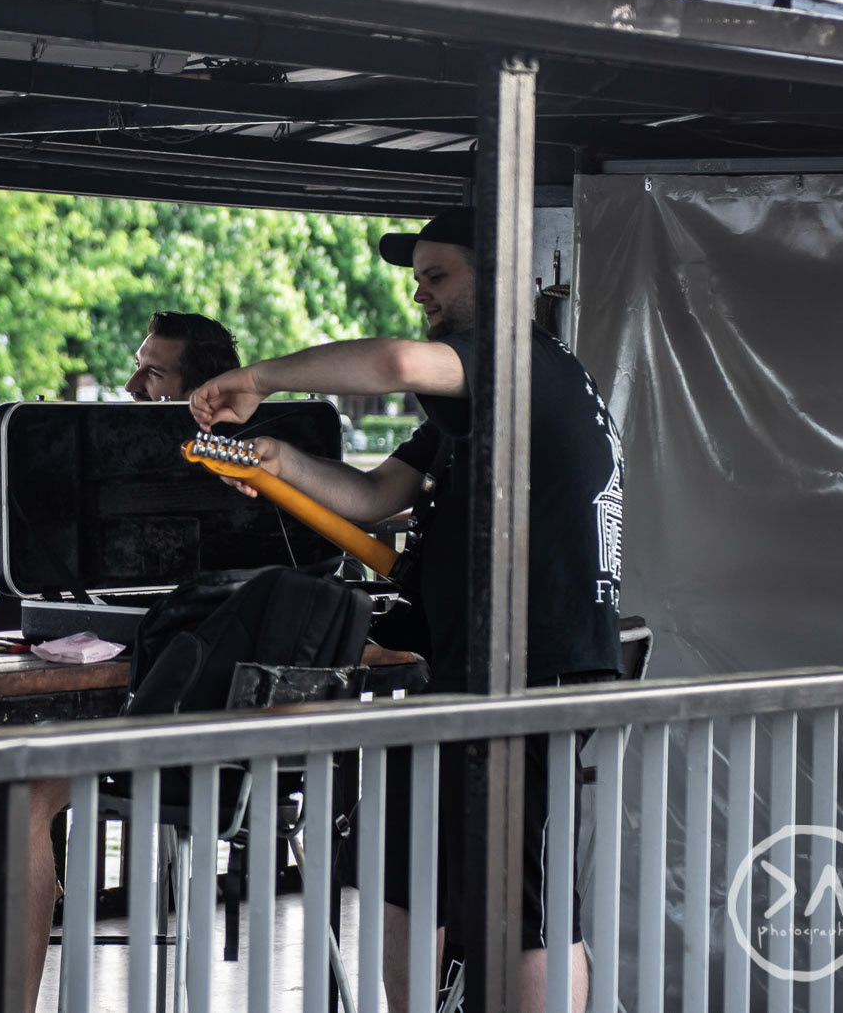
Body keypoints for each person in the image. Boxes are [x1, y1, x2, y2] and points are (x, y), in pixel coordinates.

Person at [189, 208, 624, 1013]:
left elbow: (392, 362)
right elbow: (373, 496)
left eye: (438, 275)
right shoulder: (477, 411)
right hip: (464, 673)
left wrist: (260, 378)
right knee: (405, 877)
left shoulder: (524, 364)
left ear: (505, 281)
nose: (420, 293)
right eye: (416, 277)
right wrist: (281, 463)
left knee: (524, 906)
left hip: (533, 673)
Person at [0, 311, 243, 1008]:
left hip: (176, 727)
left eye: (152, 373)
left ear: (203, 394)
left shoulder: (241, 475)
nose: (131, 383)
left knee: (22, 792)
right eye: (138, 364)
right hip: (104, 702)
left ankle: (4, 910)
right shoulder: (113, 460)